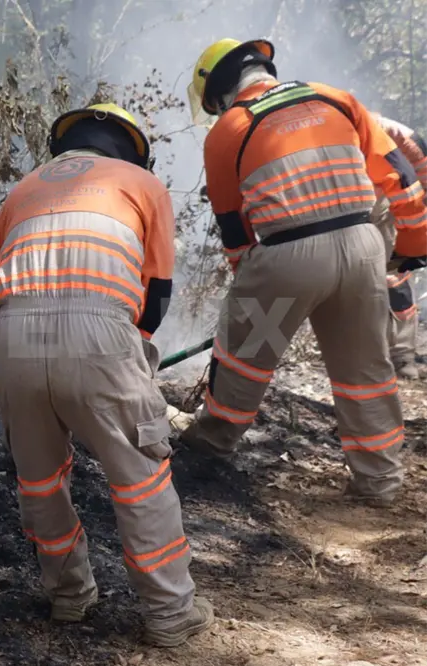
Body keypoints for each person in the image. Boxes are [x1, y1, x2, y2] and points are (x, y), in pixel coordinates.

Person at [0, 103, 214, 647]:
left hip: (16, 341)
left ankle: (69, 598)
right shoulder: (141, 183)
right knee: (140, 476)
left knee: (41, 482)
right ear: (130, 147)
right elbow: (155, 293)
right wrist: (126, 355)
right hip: (100, 333)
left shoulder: (20, 192)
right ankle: (168, 614)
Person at [175, 38, 427, 507]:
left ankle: (213, 443)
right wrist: (410, 250)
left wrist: (250, 285)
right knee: (366, 370)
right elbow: (401, 178)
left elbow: (234, 226)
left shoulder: (229, 129)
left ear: (223, 90)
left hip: (287, 259)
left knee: (244, 357)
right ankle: (380, 481)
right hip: (362, 247)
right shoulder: (336, 97)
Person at [370, 112, 426, 379]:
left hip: (386, 205)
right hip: (359, 206)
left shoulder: (400, 138)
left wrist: (416, 241)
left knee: (393, 275)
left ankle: (402, 357)